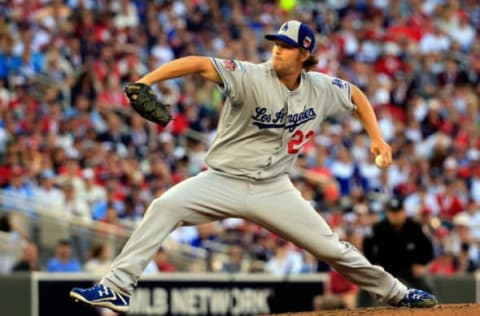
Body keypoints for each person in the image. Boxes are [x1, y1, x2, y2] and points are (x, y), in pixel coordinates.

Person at [70, 20, 437, 313]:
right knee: (164, 207)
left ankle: (396, 294)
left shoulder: (320, 88)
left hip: (274, 187)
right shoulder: (248, 74)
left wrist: (376, 137)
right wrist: (146, 81)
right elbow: (199, 63)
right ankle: (116, 288)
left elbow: (355, 95)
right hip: (221, 180)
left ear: (304, 54)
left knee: (332, 248)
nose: (277, 49)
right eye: (275, 44)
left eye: (286, 46)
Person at [363, 197, 435, 293]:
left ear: (404, 212)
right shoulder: (378, 228)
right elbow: (367, 246)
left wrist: (422, 264)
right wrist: (374, 264)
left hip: (410, 269)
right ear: (387, 213)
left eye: (398, 212)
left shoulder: (415, 227)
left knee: (427, 289)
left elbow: (428, 248)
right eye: (392, 213)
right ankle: (359, 307)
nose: (395, 215)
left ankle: (436, 307)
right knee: (365, 289)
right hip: (385, 270)